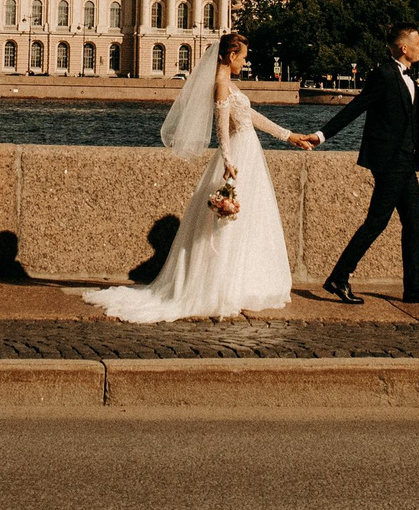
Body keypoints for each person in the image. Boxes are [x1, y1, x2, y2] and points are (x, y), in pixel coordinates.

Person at [83, 32, 321, 322]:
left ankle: (241, 283)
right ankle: (224, 287)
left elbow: (250, 117)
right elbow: (222, 127)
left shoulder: (228, 85)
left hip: (247, 150)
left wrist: (289, 135)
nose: (245, 63)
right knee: (231, 227)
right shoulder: (221, 86)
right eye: (243, 57)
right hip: (239, 155)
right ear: (231, 56)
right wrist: (229, 161)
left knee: (246, 223)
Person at [315, 24, 419, 307]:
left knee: (414, 223)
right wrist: (322, 135)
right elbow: (356, 107)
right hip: (389, 161)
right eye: (418, 43)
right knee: (377, 221)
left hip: (405, 160)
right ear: (404, 48)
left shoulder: (407, 77)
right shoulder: (384, 74)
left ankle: (414, 287)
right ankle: (339, 277)